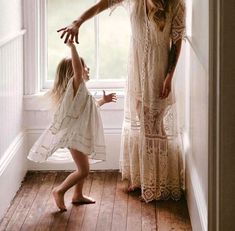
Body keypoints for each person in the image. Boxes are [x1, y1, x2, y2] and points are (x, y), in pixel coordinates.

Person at [57, 0, 185, 202]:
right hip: (136, 71)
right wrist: (78, 21)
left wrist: (169, 76)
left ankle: (159, 184)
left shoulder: (175, 4)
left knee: (154, 126)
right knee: (143, 124)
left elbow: (177, 43)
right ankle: (145, 180)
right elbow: (102, 4)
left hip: (156, 73)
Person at [27, 40, 117, 211]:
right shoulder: (76, 86)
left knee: (82, 166)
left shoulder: (81, 93)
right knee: (84, 170)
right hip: (74, 137)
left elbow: (89, 108)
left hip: (81, 135)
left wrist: (102, 101)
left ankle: (78, 195)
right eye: (85, 67)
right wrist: (73, 48)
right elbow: (77, 72)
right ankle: (59, 191)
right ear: (76, 72)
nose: (88, 69)